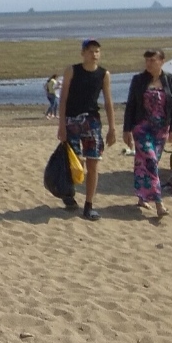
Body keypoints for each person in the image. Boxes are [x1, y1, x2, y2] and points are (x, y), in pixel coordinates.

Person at [57, 39, 116, 220]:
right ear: (83, 53)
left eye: (97, 51)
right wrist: (61, 125)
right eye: (90, 51)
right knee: (75, 163)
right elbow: (63, 99)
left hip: (92, 122)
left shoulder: (103, 74)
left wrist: (112, 128)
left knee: (93, 163)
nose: (94, 54)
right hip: (72, 121)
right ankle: (69, 194)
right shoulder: (72, 70)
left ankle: (89, 204)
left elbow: (108, 102)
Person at [123, 49, 172, 218]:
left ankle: (142, 197)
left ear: (162, 61)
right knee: (151, 161)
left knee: (143, 163)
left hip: (161, 129)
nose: (148, 63)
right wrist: (126, 129)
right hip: (141, 127)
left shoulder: (171, 80)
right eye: (147, 60)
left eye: (152, 60)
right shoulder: (138, 80)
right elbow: (131, 105)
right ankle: (159, 202)